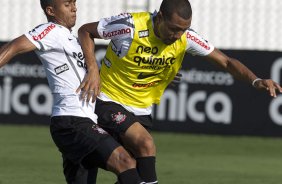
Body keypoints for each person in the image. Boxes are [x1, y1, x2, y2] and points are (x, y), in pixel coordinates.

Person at [78, 0, 282, 183]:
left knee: (133, 173)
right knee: (146, 143)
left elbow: (227, 62)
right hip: (107, 99)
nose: (177, 36)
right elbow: (86, 31)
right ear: (159, 18)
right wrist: (93, 69)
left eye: (183, 30)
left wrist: (256, 80)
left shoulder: (186, 37)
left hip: (142, 110)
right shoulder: (129, 26)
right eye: (173, 29)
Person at [0, 0, 146, 184]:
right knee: (125, 162)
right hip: (72, 122)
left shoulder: (74, 41)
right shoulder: (49, 31)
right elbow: (13, 47)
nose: (74, 8)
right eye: (67, 4)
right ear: (51, 10)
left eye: (74, 3)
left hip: (83, 121)